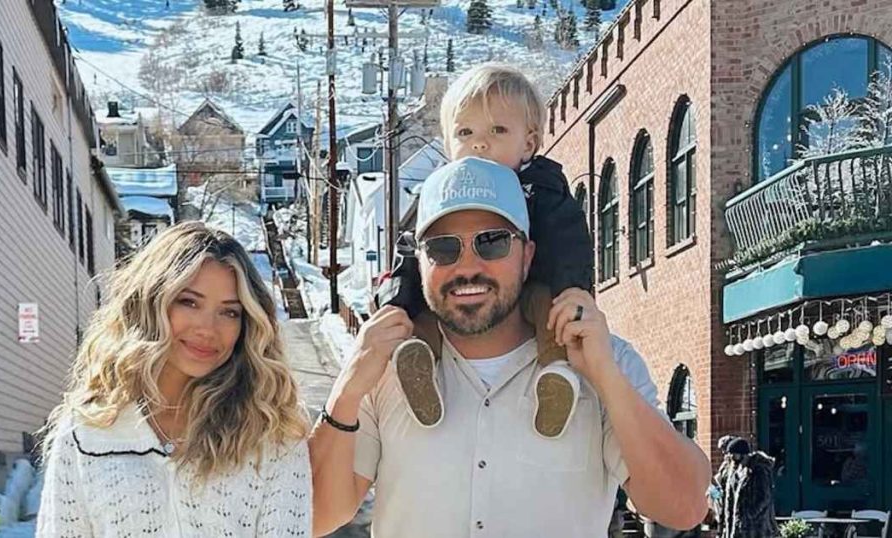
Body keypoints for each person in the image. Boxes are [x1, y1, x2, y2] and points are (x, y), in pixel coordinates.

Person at [310, 157, 711, 537]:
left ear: (527, 255)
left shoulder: (605, 360)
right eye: (443, 248)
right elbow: (314, 515)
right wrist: (346, 391)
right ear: (420, 262)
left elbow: (683, 506)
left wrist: (606, 378)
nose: (468, 267)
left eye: (492, 242)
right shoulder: (384, 368)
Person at [36, 223, 311, 537]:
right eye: (189, 302)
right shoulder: (87, 430)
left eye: (230, 312)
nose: (207, 329)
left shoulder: (270, 430)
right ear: (151, 302)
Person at [375, 63, 594, 439]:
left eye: (497, 130)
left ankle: (557, 377)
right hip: (462, 300)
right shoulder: (442, 193)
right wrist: (394, 301)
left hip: (535, 287)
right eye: (465, 132)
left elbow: (569, 241)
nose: (480, 143)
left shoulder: (541, 189)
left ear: (529, 143)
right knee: (424, 312)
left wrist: (573, 290)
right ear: (448, 145)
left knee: (551, 315)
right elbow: (414, 252)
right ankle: (419, 367)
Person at [719, 437, 779, 538]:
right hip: (739, 527)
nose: (731, 457)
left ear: (742, 454)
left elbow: (764, 497)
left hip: (756, 528)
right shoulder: (736, 471)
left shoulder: (758, 470)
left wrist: (748, 515)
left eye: (734, 454)